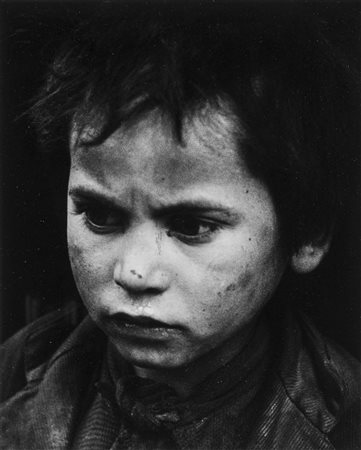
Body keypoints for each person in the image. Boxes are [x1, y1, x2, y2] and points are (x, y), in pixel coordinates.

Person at [0, 3, 359, 449]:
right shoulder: (17, 369)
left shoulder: (343, 425)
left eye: (190, 225)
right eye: (99, 216)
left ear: (307, 234)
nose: (133, 272)